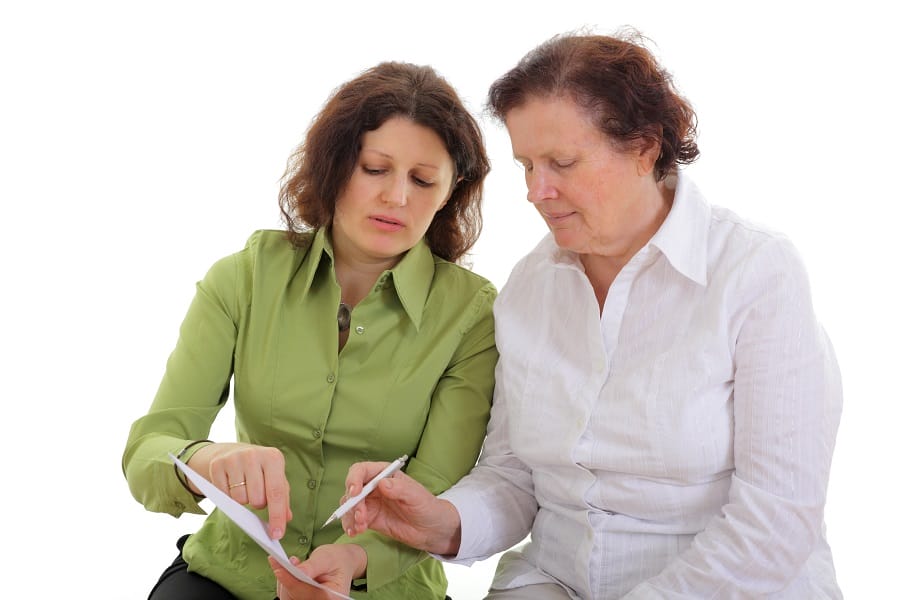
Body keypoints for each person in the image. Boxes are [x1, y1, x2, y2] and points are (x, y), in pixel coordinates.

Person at [323, 31, 843, 599]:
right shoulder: (529, 286)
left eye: (562, 163)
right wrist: (441, 522)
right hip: (555, 582)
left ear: (645, 148)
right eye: (526, 165)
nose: (536, 191)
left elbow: (775, 521)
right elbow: (516, 475)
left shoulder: (755, 273)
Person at [122, 61, 498, 600]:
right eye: (375, 169)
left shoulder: (472, 315)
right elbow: (148, 450)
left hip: (380, 586)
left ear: (450, 191)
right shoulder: (246, 277)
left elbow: (437, 489)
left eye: (422, 180)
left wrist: (355, 558)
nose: (397, 197)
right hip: (231, 573)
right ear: (335, 164)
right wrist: (202, 460)